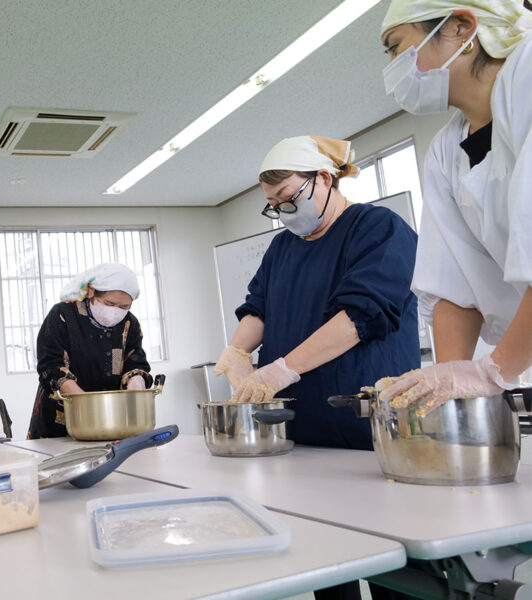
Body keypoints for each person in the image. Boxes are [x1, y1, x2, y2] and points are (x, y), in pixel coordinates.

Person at [214, 136, 420, 450]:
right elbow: (259, 308)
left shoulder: (379, 229)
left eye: (288, 198)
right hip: (294, 432)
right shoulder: (282, 247)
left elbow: (359, 317)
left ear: (323, 178)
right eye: (274, 207)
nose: (284, 212)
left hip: (368, 430)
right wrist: (236, 351)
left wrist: (283, 370)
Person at [376, 1, 532, 414]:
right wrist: (450, 385)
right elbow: (454, 283)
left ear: (462, 27)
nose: (392, 66)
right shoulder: (447, 150)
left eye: (395, 46)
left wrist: (493, 372)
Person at [28, 263, 153, 439]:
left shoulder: (129, 324)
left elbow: (136, 362)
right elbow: (50, 366)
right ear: (92, 291)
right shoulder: (63, 315)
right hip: (60, 423)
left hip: (112, 422)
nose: (115, 312)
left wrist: (136, 386)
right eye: (109, 303)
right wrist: (89, 406)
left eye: (124, 307)